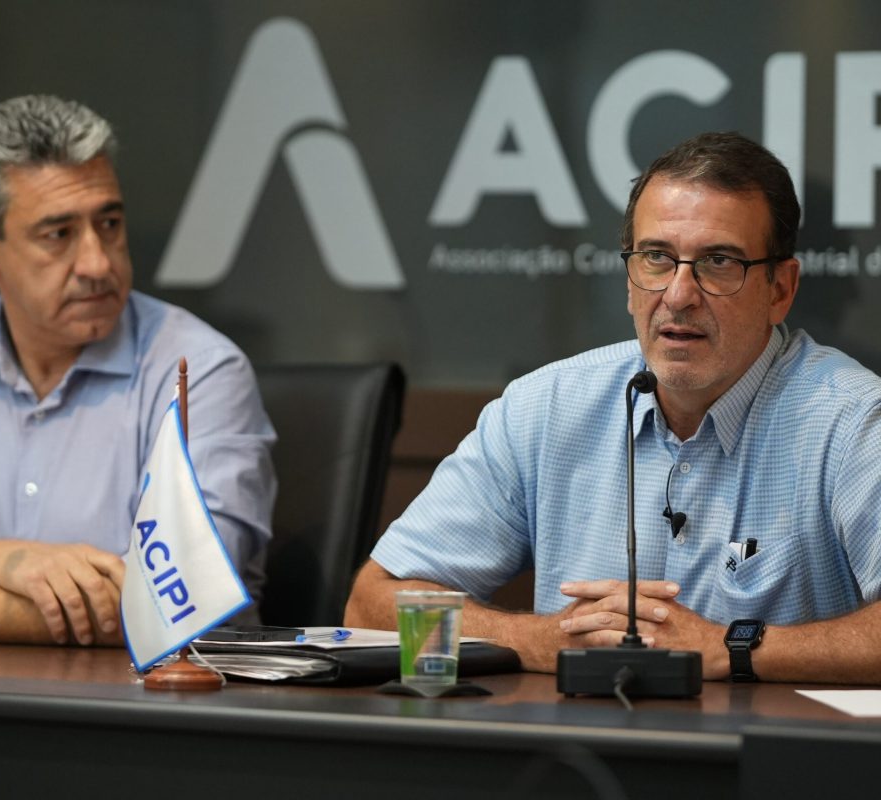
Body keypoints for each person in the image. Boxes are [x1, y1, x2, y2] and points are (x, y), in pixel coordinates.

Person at [346, 131, 881, 684]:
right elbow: (371, 605)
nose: (678, 294)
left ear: (780, 289)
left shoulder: (852, 421)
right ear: (630, 280)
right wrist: (538, 640)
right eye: (656, 258)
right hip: (574, 759)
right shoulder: (545, 407)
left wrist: (732, 647)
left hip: (765, 763)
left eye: (718, 261)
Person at [0, 95, 276, 646]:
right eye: (58, 234)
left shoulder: (195, 371)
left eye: (109, 223)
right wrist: (2, 561)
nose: (98, 262)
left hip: (139, 718)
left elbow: (181, 600)